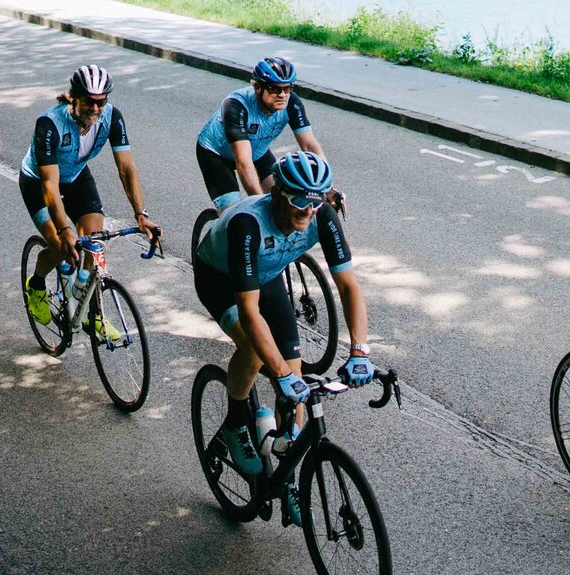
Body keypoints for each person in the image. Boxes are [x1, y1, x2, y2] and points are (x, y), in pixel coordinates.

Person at [193, 150, 373, 495]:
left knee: (296, 382)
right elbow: (248, 310)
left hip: (268, 272)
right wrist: (281, 375)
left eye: (315, 202)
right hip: (221, 278)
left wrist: (360, 351)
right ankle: (234, 424)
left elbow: (349, 286)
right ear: (277, 193)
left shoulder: (322, 215)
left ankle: (287, 476)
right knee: (256, 351)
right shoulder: (248, 225)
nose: (308, 210)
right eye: (299, 200)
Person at [19, 64, 161, 340]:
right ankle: (36, 284)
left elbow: (126, 169)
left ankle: (89, 305)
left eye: (102, 102)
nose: (96, 109)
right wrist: (65, 229)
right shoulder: (49, 124)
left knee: (94, 242)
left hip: (75, 177)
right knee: (62, 247)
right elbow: (49, 186)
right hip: (38, 182)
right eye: (89, 102)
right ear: (74, 97)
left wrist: (141, 214)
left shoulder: (111, 117)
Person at [195, 56, 340, 211]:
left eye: (287, 88)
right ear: (258, 87)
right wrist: (259, 206)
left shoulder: (291, 103)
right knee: (233, 211)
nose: (283, 95)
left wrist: (327, 187)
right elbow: (243, 161)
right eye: (275, 89)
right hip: (216, 154)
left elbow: (310, 145)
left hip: (257, 152)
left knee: (285, 201)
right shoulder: (236, 106)